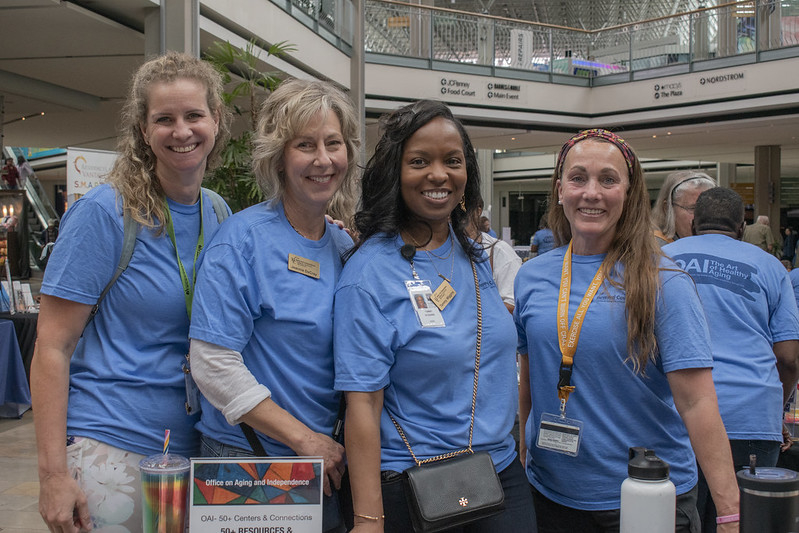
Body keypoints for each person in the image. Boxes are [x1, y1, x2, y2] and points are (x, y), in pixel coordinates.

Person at [30, 51, 232, 532]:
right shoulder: (106, 213)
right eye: (164, 119)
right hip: (112, 448)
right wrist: (53, 474)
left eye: (193, 115)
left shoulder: (219, 212)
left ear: (216, 120)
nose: (181, 131)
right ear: (144, 130)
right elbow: (52, 347)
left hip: (192, 450)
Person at [515, 129, 740, 532]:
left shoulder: (663, 280)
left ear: (629, 192)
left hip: (643, 497)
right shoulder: (532, 276)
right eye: (578, 177)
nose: (591, 193)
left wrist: (729, 513)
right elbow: (532, 375)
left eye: (608, 179)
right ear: (560, 189)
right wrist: (523, 449)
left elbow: (698, 403)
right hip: (549, 495)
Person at [334, 100, 536, 533]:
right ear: (394, 172)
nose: (439, 175)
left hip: (496, 471)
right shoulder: (368, 275)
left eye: (453, 161)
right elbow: (363, 405)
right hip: (410, 483)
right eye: (419, 161)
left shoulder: (475, 255)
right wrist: (369, 520)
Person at [188, 78, 360, 533]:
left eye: (333, 144)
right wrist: (304, 440)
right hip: (246, 461)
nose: (323, 160)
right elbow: (211, 364)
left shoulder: (344, 246)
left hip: (324, 461)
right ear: (279, 157)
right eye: (305, 145)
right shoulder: (241, 242)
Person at [663, 187, 799, 532]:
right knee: (743, 521)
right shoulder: (769, 266)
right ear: (742, 227)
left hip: (675, 417)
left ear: (693, 223)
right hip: (752, 415)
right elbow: (788, 357)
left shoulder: (660, 259)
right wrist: (775, 407)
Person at [651, 170, 716, 245]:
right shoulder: (654, 249)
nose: (704, 216)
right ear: (667, 208)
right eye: (693, 208)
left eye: (709, 208)